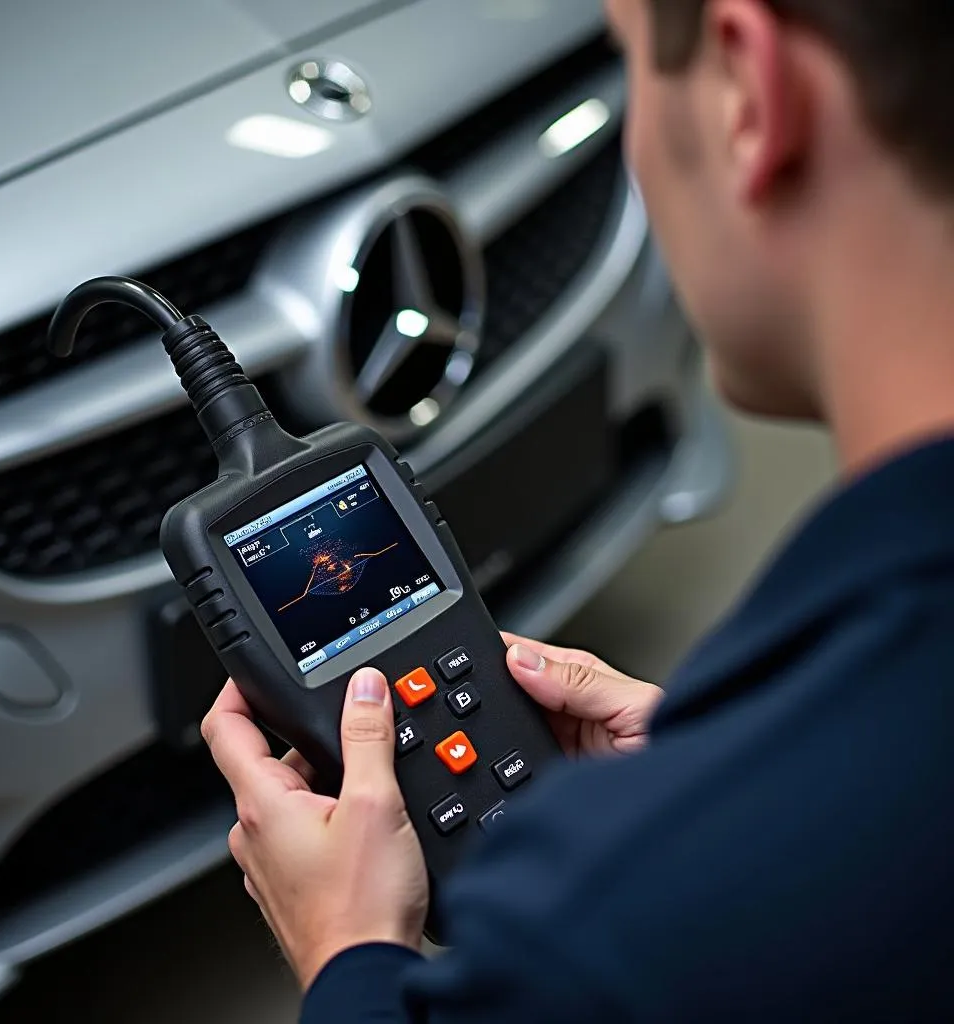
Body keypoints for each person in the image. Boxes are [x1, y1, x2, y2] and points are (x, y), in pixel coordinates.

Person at [201, 0, 954, 1019]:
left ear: (745, 93)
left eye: (631, 65)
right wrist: (711, 790)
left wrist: (348, 953)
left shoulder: (598, 938)